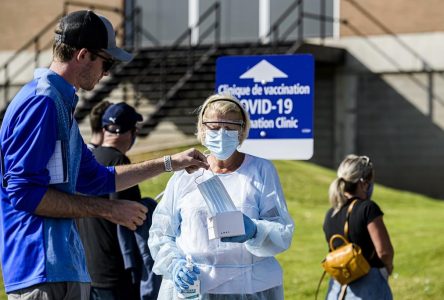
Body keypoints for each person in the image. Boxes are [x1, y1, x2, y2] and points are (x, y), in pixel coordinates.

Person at [0, 10, 207, 300]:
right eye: (106, 62)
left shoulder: (59, 104)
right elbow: (23, 194)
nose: (108, 72)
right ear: (83, 55)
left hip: (63, 268)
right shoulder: (42, 103)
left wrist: (170, 162)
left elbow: (97, 179)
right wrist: (109, 210)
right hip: (41, 269)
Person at [148, 94, 295, 300]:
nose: (222, 134)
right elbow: (162, 232)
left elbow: (282, 230)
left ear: (242, 130)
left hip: (251, 288)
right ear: (202, 129)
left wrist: (255, 230)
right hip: (195, 287)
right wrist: (175, 265)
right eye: (214, 128)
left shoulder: (261, 171)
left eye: (230, 127)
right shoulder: (186, 174)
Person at [78, 102, 161, 300]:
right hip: (115, 273)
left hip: (86, 269)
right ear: (130, 132)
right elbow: (132, 221)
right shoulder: (120, 163)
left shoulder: (87, 159)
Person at [322, 155, 394, 300]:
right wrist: (388, 268)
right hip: (368, 286)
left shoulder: (331, 213)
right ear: (363, 183)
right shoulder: (368, 208)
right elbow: (384, 251)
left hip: (337, 289)